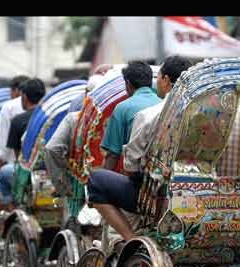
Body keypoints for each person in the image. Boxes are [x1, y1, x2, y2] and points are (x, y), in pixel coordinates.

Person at [85, 57, 193, 241]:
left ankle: (130, 239)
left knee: (97, 180)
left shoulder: (148, 116)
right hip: (194, 191)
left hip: (155, 197)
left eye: (159, 77)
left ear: (166, 79)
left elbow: (130, 166)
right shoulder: (205, 116)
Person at [44, 75, 105, 197]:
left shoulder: (73, 119)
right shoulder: (116, 118)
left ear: (86, 94)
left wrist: (62, 185)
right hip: (110, 186)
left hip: (79, 187)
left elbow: (52, 149)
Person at [99, 61, 161, 171]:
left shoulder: (122, 108)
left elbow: (113, 155)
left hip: (136, 174)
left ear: (128, 83)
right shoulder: (163, 102)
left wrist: (102, 177)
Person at [0, 78, 46, 207]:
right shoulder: (50, 117)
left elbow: (19, 157)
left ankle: (10, 206)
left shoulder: (18, 121)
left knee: (4, 172)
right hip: (49, 170)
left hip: (28, 171)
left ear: (24, 96)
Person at [0, 75, 30, 184]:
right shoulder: (44, 106)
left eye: (11, 91)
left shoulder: (9, 107)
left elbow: (2, 147)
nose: (10, 94)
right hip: (40, 169)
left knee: (4, 176)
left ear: (17, 91)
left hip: (15, 167)